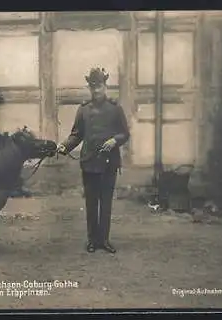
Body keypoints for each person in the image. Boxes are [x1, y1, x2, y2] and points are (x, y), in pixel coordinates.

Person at [57, 67, 130, 254]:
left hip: (109, 163)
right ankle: (92, 240)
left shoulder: (115, 109)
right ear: (89, 88)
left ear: (105, 87)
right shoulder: (83, 110)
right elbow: (76, 134)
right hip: (89, 163)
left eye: (99, 87)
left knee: (106, 203)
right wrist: (65, 146)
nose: (96, 91)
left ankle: (104, 240)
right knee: (91, 204)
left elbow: (125, 133)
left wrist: (115, 140)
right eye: (93, 87)